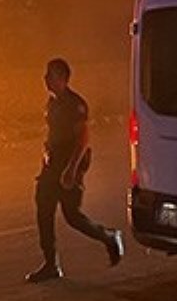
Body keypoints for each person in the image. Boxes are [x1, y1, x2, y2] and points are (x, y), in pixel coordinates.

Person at [26, 58, 124, 282]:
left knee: (73, 216)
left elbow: (83, 139)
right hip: (51, 168)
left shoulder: (75, 104)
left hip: (69, 166)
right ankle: (51, 264)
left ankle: (109, 237)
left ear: (62, 78)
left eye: (50, 75)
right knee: (44, 211)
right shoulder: (52, 103)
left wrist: (71, 169)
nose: (45, 79)